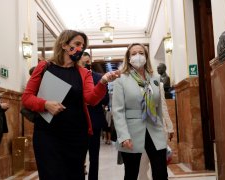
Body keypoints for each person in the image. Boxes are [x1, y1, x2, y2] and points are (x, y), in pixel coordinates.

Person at [21, 30, 119, 180]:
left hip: (76, 135)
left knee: (74, 175)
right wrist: (45, 104)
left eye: (83, 46)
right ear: (64, 44)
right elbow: (27, 98)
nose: (80, 48)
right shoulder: (44, 67)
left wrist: (103, 82)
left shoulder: (83, 73)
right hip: (47, 134)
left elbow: (91, 99)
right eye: (77, 44)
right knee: (50, 175)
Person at [112, 43, 168, 180]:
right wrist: (123, 136)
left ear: (146, 57)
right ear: (128, 57)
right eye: (134, 53)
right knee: (131, 173)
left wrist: (164, 129)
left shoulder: (154, 80)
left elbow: (158, 107)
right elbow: (117, 110)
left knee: (161, 172)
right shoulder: (121, 80)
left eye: (141, 53)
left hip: (155, 129)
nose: (138, 56)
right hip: (131, 132)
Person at [78, 51, 109, 180]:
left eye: (87, 62)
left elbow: (106, 98)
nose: (86, 64)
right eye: (84, 62)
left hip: (92, 121)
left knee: (91, 155)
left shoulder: (98, 78)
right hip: (79, 121)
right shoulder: (75, 76)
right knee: (83, 155)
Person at [138, 82, 174, 180]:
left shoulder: (158, 83)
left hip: (157, 130)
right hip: (139, 131)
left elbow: (163, 106)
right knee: (142, 168)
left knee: (160, 168)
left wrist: (170, 126)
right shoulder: (131, 84)